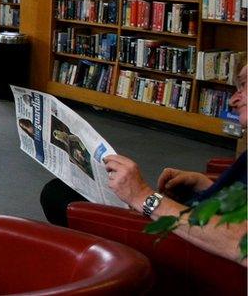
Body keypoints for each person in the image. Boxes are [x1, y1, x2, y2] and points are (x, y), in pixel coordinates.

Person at [40, 63, 248, 264]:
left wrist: (143, 197)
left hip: (188, 250)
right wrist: (207, 186)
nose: (233, 100)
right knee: (65, 189)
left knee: (59, 196)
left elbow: (240, 243)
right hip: (196, 224)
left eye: (245, 85)